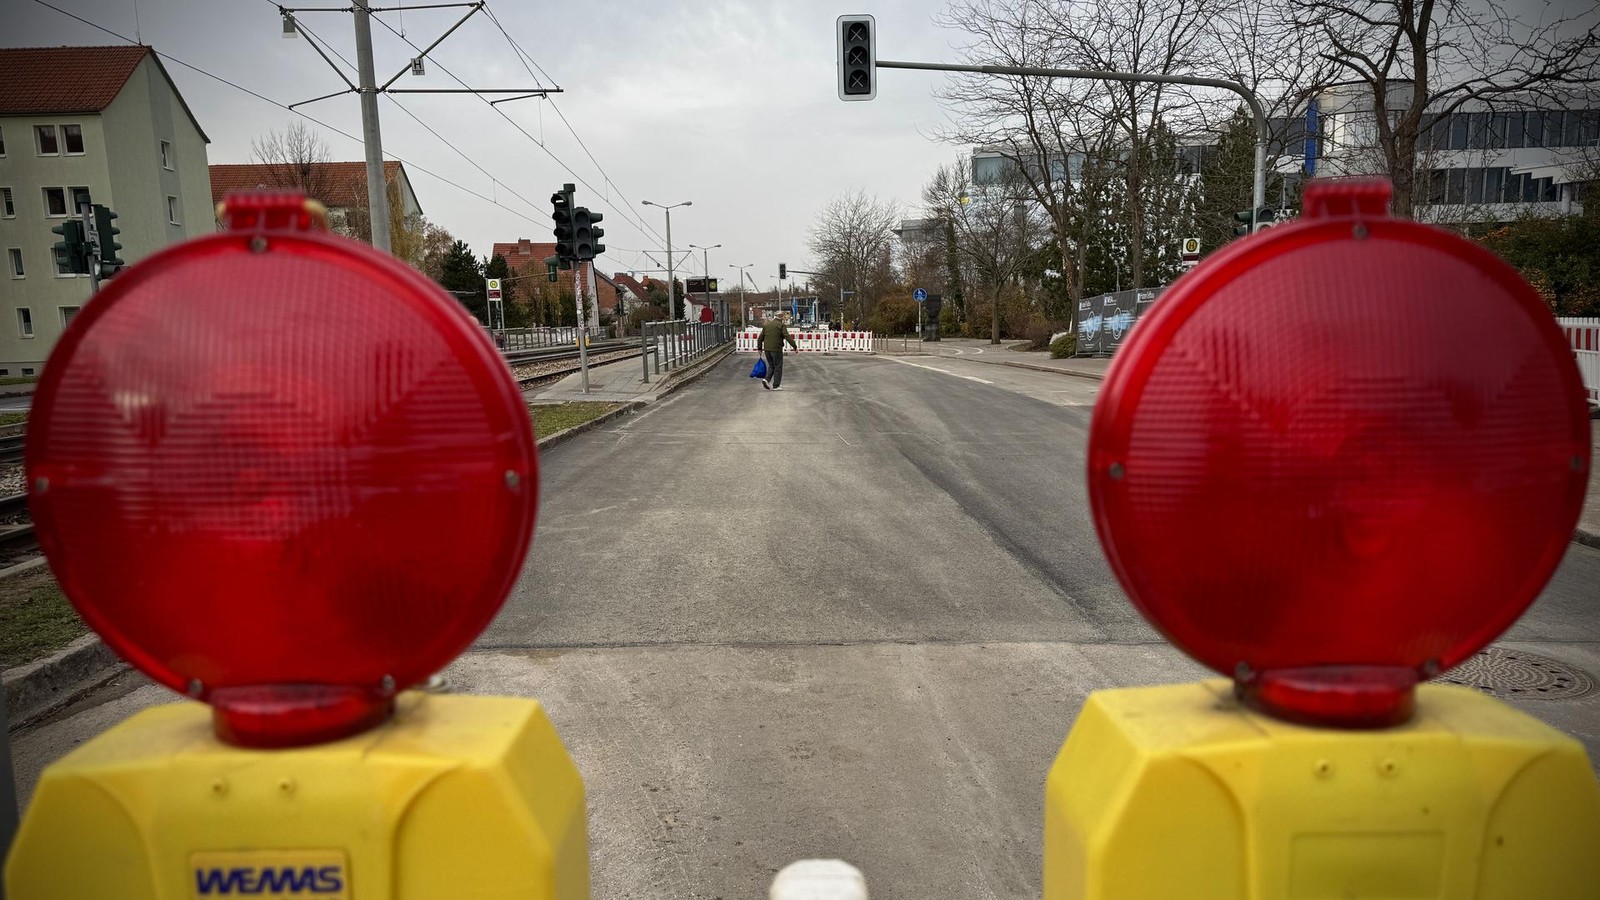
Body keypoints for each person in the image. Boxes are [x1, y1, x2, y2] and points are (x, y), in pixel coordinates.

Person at [756, 316, 798, 390]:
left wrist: (759, 348)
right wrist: (794, 346)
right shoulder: (781, 325)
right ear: (781, 318)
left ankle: (766, 379)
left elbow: (760, 338)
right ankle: (776, 385)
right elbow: (787, 336)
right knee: (778, 366)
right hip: (776, 349)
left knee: (772, 365)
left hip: (767, 349)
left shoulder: (767, 325)